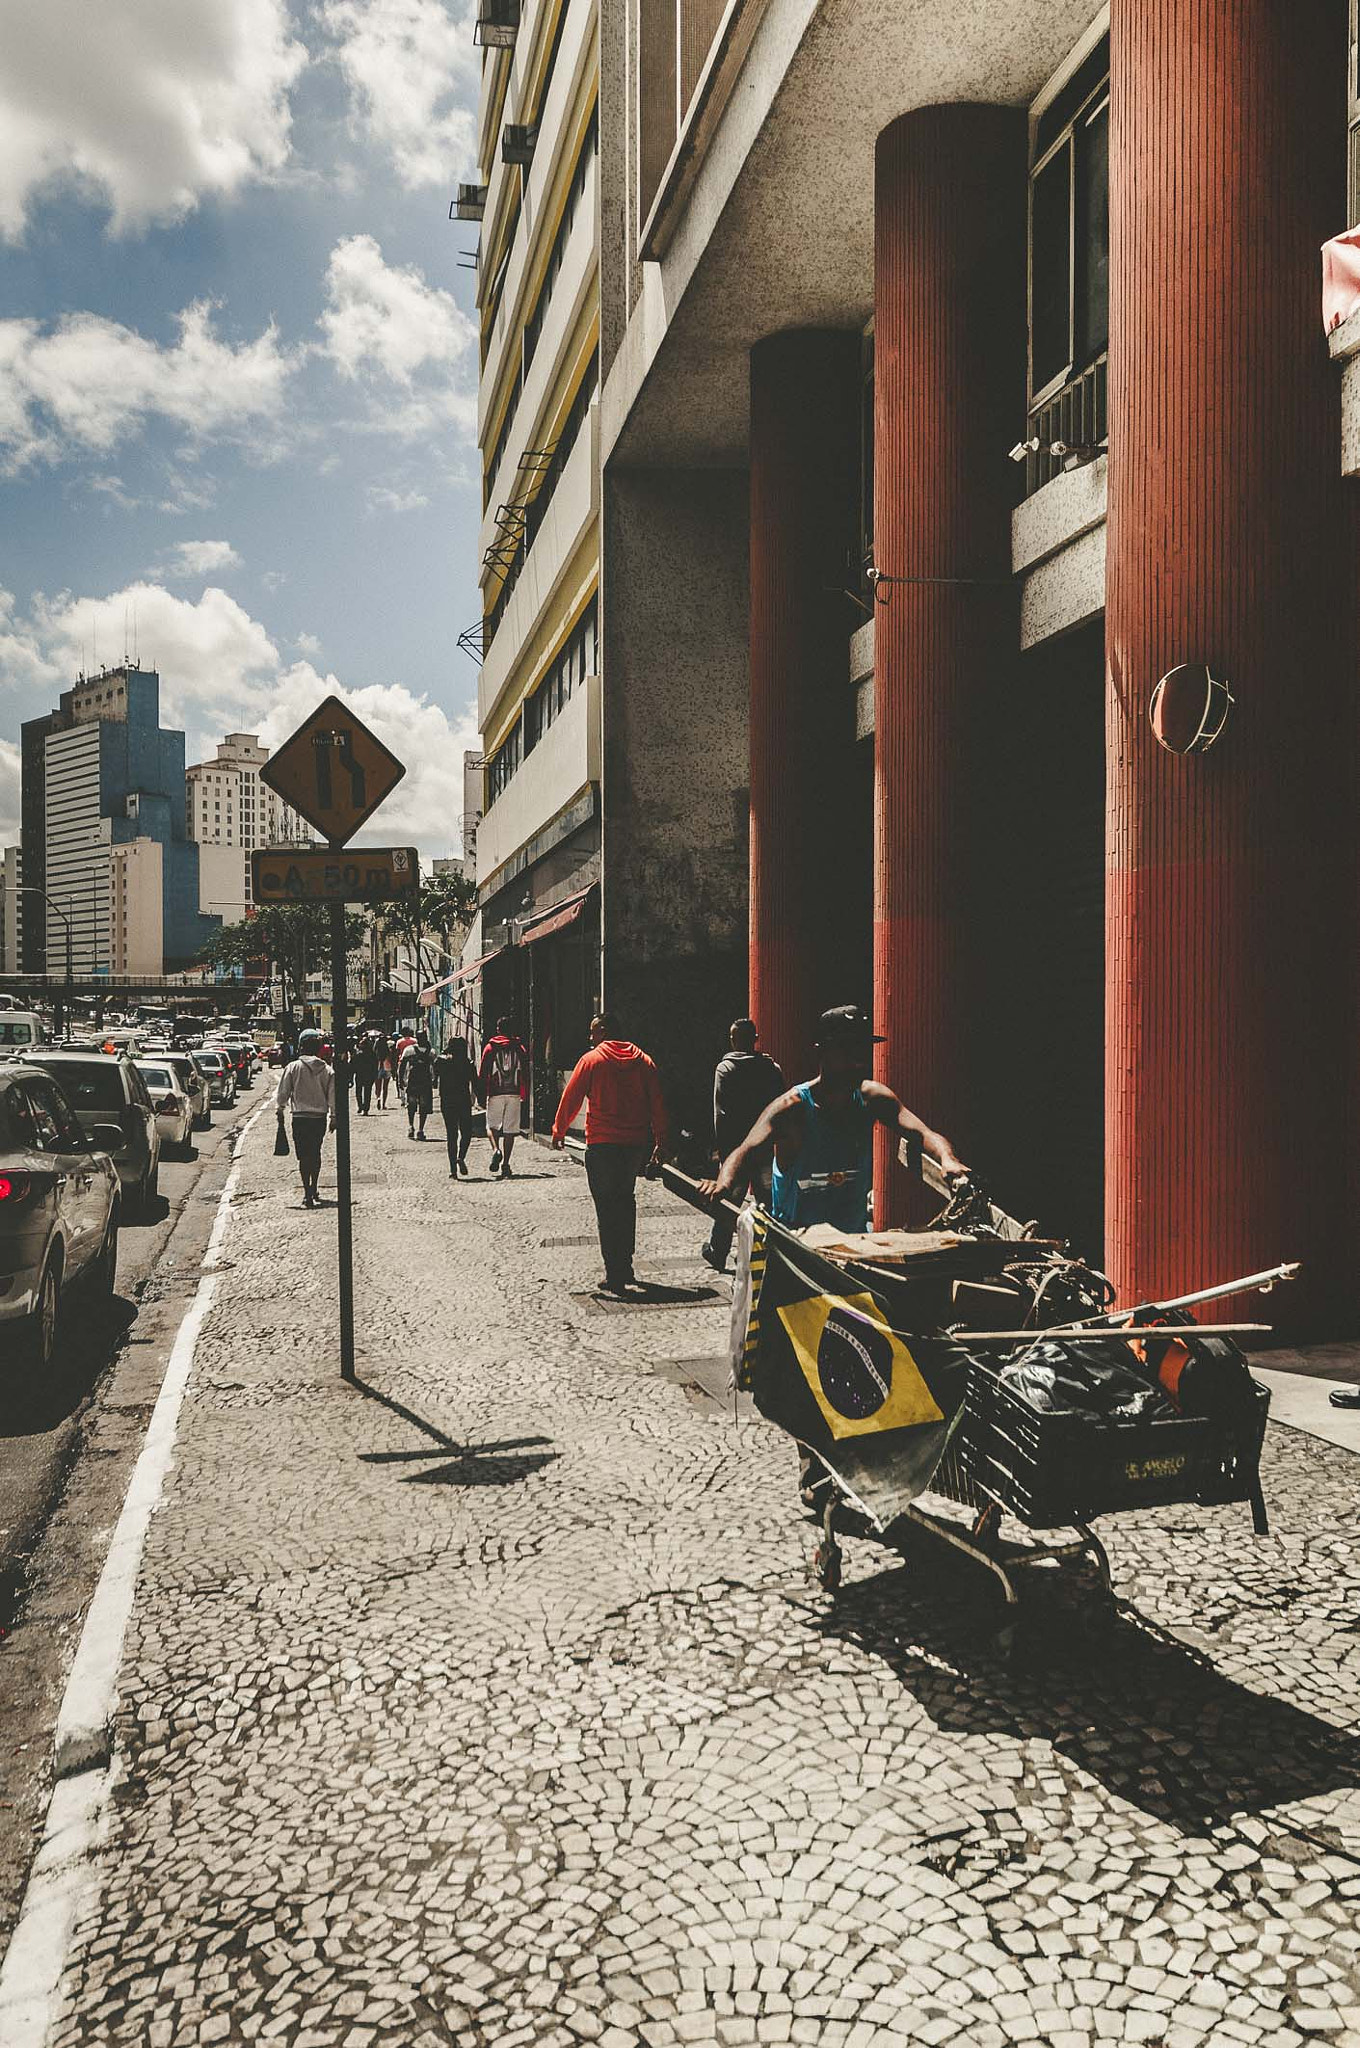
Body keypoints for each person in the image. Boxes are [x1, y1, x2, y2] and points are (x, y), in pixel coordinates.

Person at [699, 1004, 968, 1509]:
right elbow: (744, 1149)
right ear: (822, 1054)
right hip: (799, 1255)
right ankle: (813, 1466)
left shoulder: (871, 1098)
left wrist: (948, 1160)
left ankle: (867, 1454)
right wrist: (724, 1183)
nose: (855, 1063)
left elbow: (921, 1132)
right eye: (845, 1053)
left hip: (854, 1251)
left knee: (864, 1358)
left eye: (860, 1053)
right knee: (805, 1367)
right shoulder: (792, 1109)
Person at [551, 1015, 668, 1295]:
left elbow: (572, 1097)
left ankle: (614, 1273)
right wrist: (662, 1141)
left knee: (606, 1207)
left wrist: (559, 1130)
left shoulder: (592, 1061)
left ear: (603, 1032)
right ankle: (625, 1266)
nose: (590, 1038)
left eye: (593, 1033)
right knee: (625, 1202)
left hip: (602, 1145)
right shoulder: (644, 1061)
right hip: (633, 1146)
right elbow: (657, 1104)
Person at [701, 1017, 785, 1272]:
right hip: (763, 1145)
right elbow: (780, 1105)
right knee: (767, 1203)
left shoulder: (725, 1069)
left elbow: (721, 1113)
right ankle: (763, 1252)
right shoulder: (771, 1068)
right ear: (755, 1039)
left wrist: (723, 1150)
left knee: (728, 1200)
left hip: (737, 1146)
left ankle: (718, 1250)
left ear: (734, 1039)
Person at [276, 1029, 335, 1208]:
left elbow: (283, 1092)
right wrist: (333, 1116)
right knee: (315, 1153)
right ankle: (314, 1187)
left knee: (303, 1157)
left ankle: (307, 1192)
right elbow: (332, 1096)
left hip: (300, 1117)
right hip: (319, 1118)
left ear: (301, 1047)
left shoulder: (293, 1067)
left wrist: (280, 1109)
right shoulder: (327, 1070)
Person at [478, 1016, 530, 1177]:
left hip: (495, 1093)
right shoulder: (519, 1047)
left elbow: (483, 1072)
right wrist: (525, 1092)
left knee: (491, 1126)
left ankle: (496, 1150)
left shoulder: (490, 1047)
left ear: (498, 1029)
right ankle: (506, 1164)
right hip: (514, 1092)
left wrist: (481, 1093)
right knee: (510, 1130)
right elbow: (526, 1071)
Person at [434, 1037, 477, 1177]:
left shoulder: (441, 1062)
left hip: (447, 1102)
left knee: (451, 1135)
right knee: (466, 1132)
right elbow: (475, 1084)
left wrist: (445, 1051)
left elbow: (435, 1076)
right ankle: (461, 1157)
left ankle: (453, 1170)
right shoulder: (468, 1064)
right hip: (463, 1101)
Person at [400, 1029, 435, 1139]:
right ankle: (419, 1129)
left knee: (412, 1105)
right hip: (424, 1082)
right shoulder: (430, 1052)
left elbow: (402, 1066)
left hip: (413, 1082)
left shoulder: (409, 1050)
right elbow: (435, 1067)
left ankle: (413, 1127)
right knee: (422, 1106)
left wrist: (400, 1080)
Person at [352, 1030, 379, 1116]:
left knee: (358, 1092)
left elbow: (352, 1066)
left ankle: (361, 1106)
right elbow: (375, 1065)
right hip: (369, 1075)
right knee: (367, 1092)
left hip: (359, 1075)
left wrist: (350, 1076)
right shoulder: (372, 1054)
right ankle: (366, 1109)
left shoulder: (357, 1054)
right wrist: (375, 1075)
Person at [373, 1032, 392, 1109]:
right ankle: (384, 1104)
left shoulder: (376, 1050)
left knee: (378, 1086)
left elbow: (373, 1051)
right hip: (386, 1066)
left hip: (378, 1066)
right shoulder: (387, 1049)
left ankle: (378, 1098)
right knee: (385, 1087)